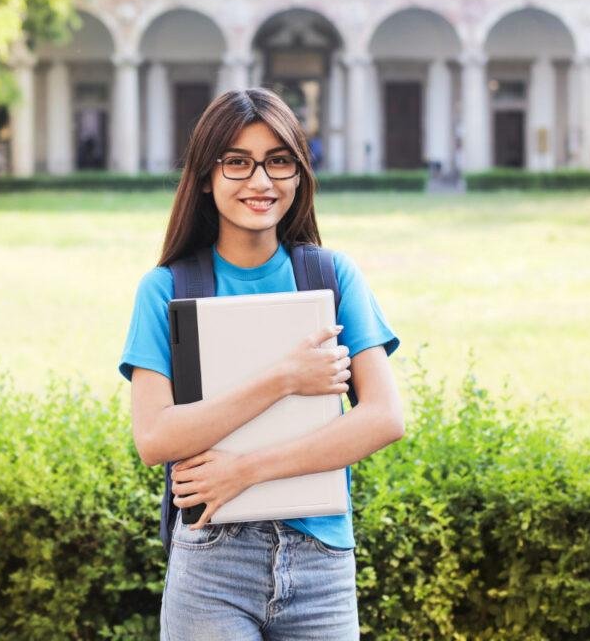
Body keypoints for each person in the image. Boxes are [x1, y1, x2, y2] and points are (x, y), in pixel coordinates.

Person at [117, 88, 405, 640]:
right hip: (212, 565)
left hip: (320, 558)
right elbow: (155, 438)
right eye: (238, 162)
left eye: (278, 161)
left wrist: (246, 470)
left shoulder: (331, 276)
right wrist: (284, 379)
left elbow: (384, 418)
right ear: (206, 176)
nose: (261, 181)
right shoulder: (167, 290)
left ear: (299, 174)